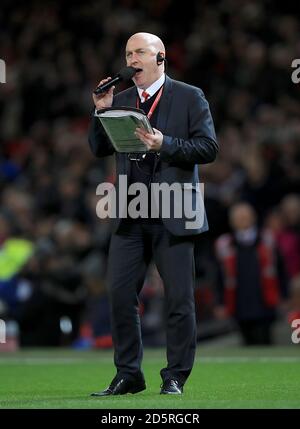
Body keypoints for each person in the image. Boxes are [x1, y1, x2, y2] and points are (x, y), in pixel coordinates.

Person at [88, 32, 218, 395]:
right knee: (118, 294)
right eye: (128, 53)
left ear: (160, 57)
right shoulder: (122, 98)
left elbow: (208, 148)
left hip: (174, 209)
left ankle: (175, 375)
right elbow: (98, 149)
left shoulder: (190, 96)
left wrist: (165, 144)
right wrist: (101, 108)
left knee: (178, 298)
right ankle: (129, 373)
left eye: (140, 52)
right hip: (131, 212)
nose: (132, 59)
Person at [215, 202, 288, 345]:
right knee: (246, 342)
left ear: (253, 218)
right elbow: (220, 277)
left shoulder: (268, 239)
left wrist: (284, 295)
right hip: (239, 303)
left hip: (264, 301)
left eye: (245, 217)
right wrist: (220, 303)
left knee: (265, 340)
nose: (242, 220)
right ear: (232, 221)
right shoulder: (224, 244)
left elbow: (280, 270)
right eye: (238, 217)